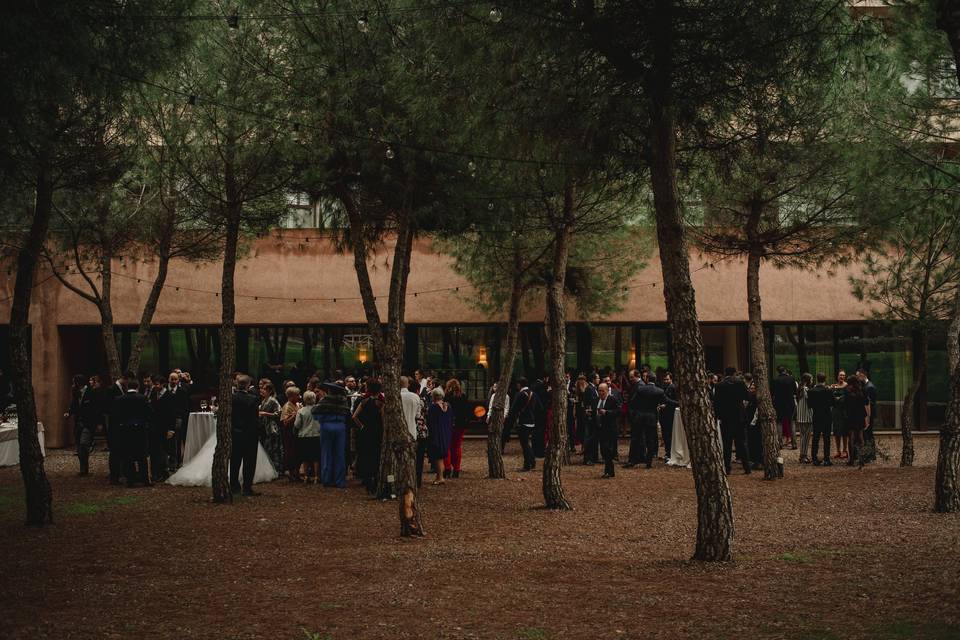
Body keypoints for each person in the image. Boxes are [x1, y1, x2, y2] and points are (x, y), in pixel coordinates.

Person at [110, 378, 151, 487]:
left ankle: (130, 480)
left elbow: (116, 415)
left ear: (127, 387)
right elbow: (149, 413)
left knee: (128, 456)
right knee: (142, 456)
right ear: (137, 387)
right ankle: (145, 479)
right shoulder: (143, 398)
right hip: (140, 430)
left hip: (125, 430)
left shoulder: (119, 399)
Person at [714, 366, 751, 475]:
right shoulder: (739, 383)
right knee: (742, 443)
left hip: (726, 418)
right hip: (739, 416)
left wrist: (718, 416)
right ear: (734, 373)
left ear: (725, 373)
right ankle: (747, 467)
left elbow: (716, 403)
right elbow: (747, 396)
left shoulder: (719, 385)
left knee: (727, 444)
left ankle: (727, 467)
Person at [315, 382, 351, 488]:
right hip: (340, 426)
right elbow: (348, 414)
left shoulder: (324, 400)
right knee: (339, 453)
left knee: (327, 453)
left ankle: (327, 479)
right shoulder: (343, 401)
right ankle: (340, 480)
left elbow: (316, 414)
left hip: (326, 426)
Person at [626, 369, 664, 469]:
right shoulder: (659, 391)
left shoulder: (641, 389)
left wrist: (635, 413)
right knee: (650, 440)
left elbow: (633, 402)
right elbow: (666, 401)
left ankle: (632, 461)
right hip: (651, 417)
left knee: (635, 438)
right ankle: (649, 462)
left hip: (640, 416)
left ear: (647, 379)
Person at [230, 375, 261, 496]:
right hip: (249, 434)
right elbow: (254, 419)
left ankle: (234, 486)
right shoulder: (253, 399)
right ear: (248, 385)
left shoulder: (231, 398)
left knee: (235, 461)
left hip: (235, 433)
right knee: (249, 462)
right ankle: (247, 487)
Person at [353, 378, 384, 494]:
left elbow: (354, 416)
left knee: (366, 456)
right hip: (377, 432)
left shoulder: (364, 402)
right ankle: (375, 482)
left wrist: (361, 426)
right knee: (376, 457)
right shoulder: (380, 403)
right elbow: (383, 420)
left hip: (365, 432)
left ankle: (367, 481)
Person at [508, 378, 542, 472]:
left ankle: (528, 464)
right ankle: (532, 461)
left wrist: (511, 420)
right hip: (532, 421)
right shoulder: (533, 394)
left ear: (520, 384)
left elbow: (514, 409)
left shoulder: (520, 394)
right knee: (527, 443)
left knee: (524, 444)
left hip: (522, 421)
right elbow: (540, 407)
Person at [146, 374, 173, 482]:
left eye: (157, 384)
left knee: (163, 450)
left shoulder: (169, 396)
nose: (155, 386)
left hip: (164, 427)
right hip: (153, 427)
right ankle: (154, 473)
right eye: (154, 384)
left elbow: (171, 413)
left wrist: (171, 429)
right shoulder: (153, 394)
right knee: (153, 450)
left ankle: (163, 472)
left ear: (162, 384)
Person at [64, 374, 93, 476]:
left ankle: (84, 468)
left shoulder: (90, 392)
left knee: (83, 443)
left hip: (87, 422)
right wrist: (69, 412)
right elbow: (73, 405)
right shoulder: (76, 393)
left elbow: (94, 408)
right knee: (79, 447)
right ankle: (83, 469)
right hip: (78, 422)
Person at [426, 386, 454, 485]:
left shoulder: (433, 408)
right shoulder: (448, 406)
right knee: (441, 456)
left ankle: (440, 477)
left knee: (437, 457)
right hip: (446, 433)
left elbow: (430, 422)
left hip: (436, 434)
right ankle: (439, 476)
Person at [444, 378, 470, 479]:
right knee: (457, 446)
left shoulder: (447, 397)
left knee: (448, 446)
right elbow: (467, 411)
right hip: (460, 425)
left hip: (449, 424)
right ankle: (457, 469)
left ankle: (447, 467)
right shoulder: (463, 396)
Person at [295, 390, 321, 484]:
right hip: (316, 435)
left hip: (304, 436)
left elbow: (297, 425)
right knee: (316, 457)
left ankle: (306, 476)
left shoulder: (301, 411)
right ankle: (316, 477)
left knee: (305, 457)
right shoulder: (318, 410)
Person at [807, 373, 833, 466]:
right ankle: (826, 459)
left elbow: (809, 405)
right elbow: (832, 403)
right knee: (827, 438)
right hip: (826, 416)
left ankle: (814, 458)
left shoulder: (811, 391)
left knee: (816, 438)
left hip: (816, 416)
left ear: (817, 379)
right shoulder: (828, 391)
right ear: (825, 379)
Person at [844, 376, 871, 467]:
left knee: (851, 437)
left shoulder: (847, 391)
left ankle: (851, 460)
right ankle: (861, 459)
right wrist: (867, 417)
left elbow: (845, 404)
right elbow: (866, 403)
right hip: (860, 415)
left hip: (851, 416)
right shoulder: (862, 390)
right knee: (860, 437)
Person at [595, 383, 621, 478]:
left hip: (610, 429)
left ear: (607, 391)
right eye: (599, 390)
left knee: (607, 450)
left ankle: (609, 471)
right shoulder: (597, 400)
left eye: (602, 391)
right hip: (600, 429)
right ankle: (609, 471)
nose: (601, 392)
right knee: (603, 450)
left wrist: (607, 412)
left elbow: (618, 411)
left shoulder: (612, 399)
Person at [258, 381, 283, 475]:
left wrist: (266, 414)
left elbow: (278, 413)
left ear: (269, 391)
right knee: (268, 448)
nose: (262, 391)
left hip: (272, 427)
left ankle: (277, 469)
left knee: (274, 449)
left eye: (264, 389)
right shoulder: (264, 400)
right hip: (265, 427)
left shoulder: (272, 400)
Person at [772, 366, 798, 449]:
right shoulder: (791, 379)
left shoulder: (775, 380)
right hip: (790, 404)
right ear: (785, 370)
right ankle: (794, 444)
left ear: (778, 372)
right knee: (792, 422)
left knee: (779, 423)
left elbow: (772, 393)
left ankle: (779, 444)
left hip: (779, 403)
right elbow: (795, 391)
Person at [280, 386, 302, 481]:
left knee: (297, 452)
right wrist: (295, 415)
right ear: (291, 396)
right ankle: (291, 472)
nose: (299, 397)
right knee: (290, 453)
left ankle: (296, 472)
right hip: (289, 434)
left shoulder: (297, 404)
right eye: (297, 395)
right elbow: (285, 422)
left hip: (296, 432)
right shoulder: (287, 406)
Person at [858, 369, 878, 464]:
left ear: (863, 375)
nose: (857, 378)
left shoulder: (869, 387)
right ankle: (870, 455)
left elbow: (870, 403)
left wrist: (868, 416)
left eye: (858, 376)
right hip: (867, 414)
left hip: (869, 414)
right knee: (868, 434)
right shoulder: (867, 386)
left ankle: (870, 455)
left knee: (868, 434)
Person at [578, 375, 599, 465]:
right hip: (590, 417)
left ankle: (594, 457)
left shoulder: (593, 388)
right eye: (597, 378)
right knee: (589, 438)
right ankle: (588, 458)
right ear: (593, 379)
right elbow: (590, 402)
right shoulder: (590, 389)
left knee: (593, 437)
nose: (599, 380)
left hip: (593, 416)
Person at [660, 372, 679, 461]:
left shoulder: (673, 388)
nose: (666, 381)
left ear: (671, 379)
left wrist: (666, 403)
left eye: (667, 379)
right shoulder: (664, 387)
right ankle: (667, 452)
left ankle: (670, 453)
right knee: (665, 435)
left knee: (669, 435)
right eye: (664, 379)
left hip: (670, 415)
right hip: (664, 415)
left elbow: (677, 402)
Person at [795, 373, 814, 464]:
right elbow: (811, 402)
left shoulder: (799, 389)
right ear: (807, 380)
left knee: (803, 437)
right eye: (811, 379)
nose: (812, 381)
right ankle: (803, 456)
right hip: (807, 416)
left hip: (801, 416)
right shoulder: (806, 390)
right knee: (806, 438)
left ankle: (802, 455)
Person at [831, 370, 849, 460]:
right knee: (837, 432)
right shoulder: (833, 386)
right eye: (840, 375)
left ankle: (845, 450)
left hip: (844, 412)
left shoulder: (847, 386)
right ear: (837, 376)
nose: (842, 377)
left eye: (843, 375)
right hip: (836, 412)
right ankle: (838, 450)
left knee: (844, 432)